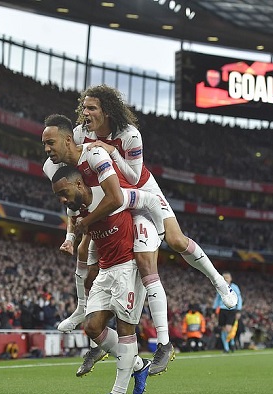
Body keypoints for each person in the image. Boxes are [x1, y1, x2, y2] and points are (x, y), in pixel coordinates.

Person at [73, 85, 238, 372]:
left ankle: (219, 283)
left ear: (107, 111)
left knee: (175, 240)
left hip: (141, 190)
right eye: (84, 107)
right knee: (95, 265)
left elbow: (134, 175)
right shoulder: (79, 134)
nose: (85, 113)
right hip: (114, 198)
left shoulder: (129, 135)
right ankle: (97, 341)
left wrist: (112, 152)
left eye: (91, 108)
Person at [42, 113, 175, 375]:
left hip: (131, 210)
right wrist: (71, 236)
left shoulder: (96, 153)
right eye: (44, 144)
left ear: (68, 140)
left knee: (148, 266)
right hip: (102, 220)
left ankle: (164, 343)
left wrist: (161, 231)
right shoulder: (52, 168)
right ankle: (85, 315)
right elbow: (72, 203)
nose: (46, 149)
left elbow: (118, 197)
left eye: (50, 143)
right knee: (85, 258)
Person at [51, 165, 152, 394]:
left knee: (126, 330)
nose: (63, 200)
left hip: (128, 267)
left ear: (79, 184)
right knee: (92, 327)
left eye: (64, 193)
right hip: (106, 270)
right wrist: (70, 240)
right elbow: (73, 222)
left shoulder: (108, 193)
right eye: (58, 196)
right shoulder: (76, 207)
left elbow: (126, 198)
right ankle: (139, 365)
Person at [213, 272, 242, 353]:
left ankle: (231, 343)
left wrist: (239, 310)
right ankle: (226, 348)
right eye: (224, 278)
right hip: (222, 309)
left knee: (228, 328)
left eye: (227, 278)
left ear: (230, 279)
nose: (226, 279)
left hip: (231, 309)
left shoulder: (234, 287)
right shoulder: (220, 287)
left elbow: (239, 298)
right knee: (223, 329)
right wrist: (214, 309)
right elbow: (217, 298)